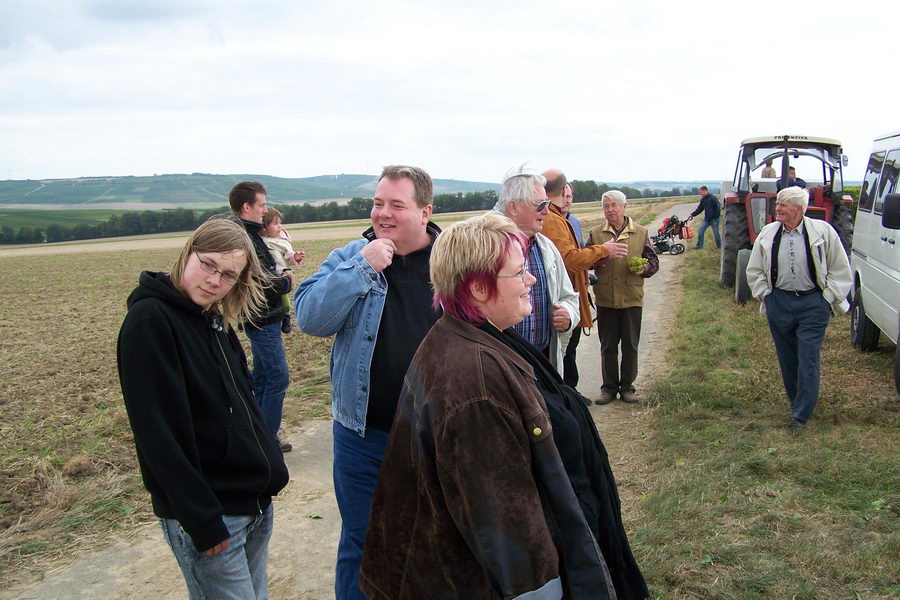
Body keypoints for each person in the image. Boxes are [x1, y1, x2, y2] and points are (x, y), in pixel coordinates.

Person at [359, 212, 649, 600]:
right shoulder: (475, 384)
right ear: (479, 288)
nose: (530, 280)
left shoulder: (475, 338)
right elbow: (506, 530)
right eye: (518, 272)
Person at [117, 218, 290, 599]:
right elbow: (156, 434)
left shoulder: (214, 320)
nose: (214, 280)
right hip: (214, 514)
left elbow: (243, 405)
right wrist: (201, 519)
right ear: (187, 253)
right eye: (208, 264)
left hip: (252, 504)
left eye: (228, 275)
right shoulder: (151, 322)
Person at [294, 165, 441, 600]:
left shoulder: (454, 259)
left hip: (434, 432)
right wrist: (362, 267)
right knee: (362, 542)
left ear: (425, 210)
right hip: (363, 435)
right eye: (378, 203)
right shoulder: (349, 256)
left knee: (434, 538)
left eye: (397, 204)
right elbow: (310, 318)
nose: (383, 214)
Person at [745, 186, 852, 427]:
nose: (778, 209)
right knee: (787, 357)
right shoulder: (768, 233)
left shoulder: (823, 232)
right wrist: (767, 296)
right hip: (779, 302)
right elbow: (754, 269)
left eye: (783, 205)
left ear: (799, 209)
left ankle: (801, 413)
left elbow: (839, 267)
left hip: (813, 303)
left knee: (808, 355)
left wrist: (827, 298)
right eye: (778, 204)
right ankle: (796, 402)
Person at [541, 169, 627, 387]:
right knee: (563, 354)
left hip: (569, 294)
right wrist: (604, 250)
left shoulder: (559, 217)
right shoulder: (552, 219)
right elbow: (569, 258)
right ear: (562, 190)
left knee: (568, 350)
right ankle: (568, 397)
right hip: (563, 298)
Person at [229, 181, 295, 452]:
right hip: (261, 317)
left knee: (262, 377)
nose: (265, 210)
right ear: (247, 207)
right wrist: (286, 283)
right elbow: (257, 282)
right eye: (262, 205)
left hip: (262, 316)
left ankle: (251, 431)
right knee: (277, 377)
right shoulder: (244, 238)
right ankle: (265, 440)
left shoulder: (251, 235)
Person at [495, 166, 579, 375]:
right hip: (501, 366)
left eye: (548, 204)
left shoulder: (547, 247)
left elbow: (569, 297)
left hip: (543, 363)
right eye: (540, 205)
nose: (547, 211)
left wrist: (568, 314)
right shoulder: (483, 247)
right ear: (513, 207)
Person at [587, 190, 659, 404]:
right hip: (606, 299)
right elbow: (586, 261)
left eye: (614, 205)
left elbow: (653, 262)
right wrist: (600, 258)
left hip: (631, 298)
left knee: (630, 345)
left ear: (624, 207)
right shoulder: (596, 233)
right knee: (608, 346)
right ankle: (608, 388)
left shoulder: (640, 232)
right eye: (606, 206)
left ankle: (627, 387)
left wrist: (643, 270)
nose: (610, 210)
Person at [260, 207, 306, 334]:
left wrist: (296, 256)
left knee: (284, 298)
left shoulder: (281, 242)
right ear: (264, 227)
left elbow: (289, 255)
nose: (280, 226)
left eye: (280, 223)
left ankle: (286, 316)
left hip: (282, 273)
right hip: (269, 275)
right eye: (275, 223)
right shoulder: (258, 241)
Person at [689, 185, 721, 250]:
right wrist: (692, 215)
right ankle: (699, 246)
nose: (700, 194)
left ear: (705, 191)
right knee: (700, 231)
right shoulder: (703, 200)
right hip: (706, 219)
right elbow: (700, 209)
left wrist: (715, 216)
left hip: (714, 219)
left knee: (716, 234)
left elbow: (718, 208)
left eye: (701, 193)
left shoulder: (713, 198)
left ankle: (719, 247)